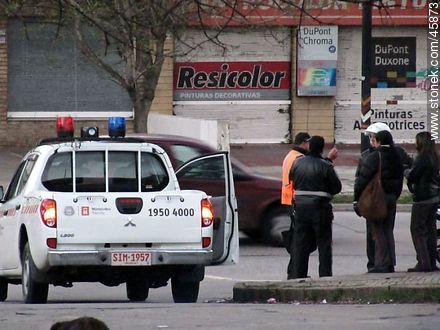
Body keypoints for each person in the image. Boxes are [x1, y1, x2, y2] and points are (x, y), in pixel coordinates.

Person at [354, 122, 412, 272]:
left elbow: (362, 179)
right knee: (388, 230)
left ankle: (378, 264)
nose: (372, 141)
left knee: (377, 232)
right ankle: (390, 262)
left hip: (377, 198)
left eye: (374, 138)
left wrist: (357, 199)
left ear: (380, 140)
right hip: (392, 197)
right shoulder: (397, 154)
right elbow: (404, 174)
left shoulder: (374, 156)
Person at [289, 136, 342, 279]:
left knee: (301, 244)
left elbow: (292, 179)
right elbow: (337, 187)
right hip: (320, 209)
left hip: (300, 208)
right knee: (324, 244)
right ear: (322, 148)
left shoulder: (297, 163)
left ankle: (299, 276)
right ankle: (325, 276)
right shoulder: (325, 166)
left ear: (310, 147)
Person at [405, 131, 440, 272]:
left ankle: (423, 262)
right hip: (434, 197)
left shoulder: (422, 158)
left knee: (417, 229)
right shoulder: (434, 157)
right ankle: (431, 261)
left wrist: (406, 171)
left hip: (423, 198)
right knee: (430, 229)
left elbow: (413, 176)